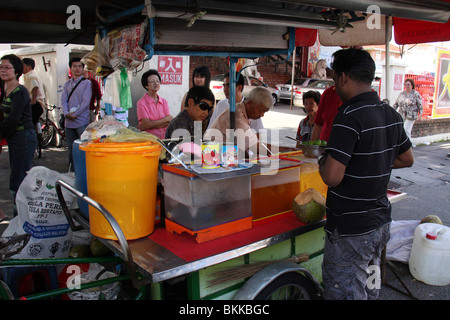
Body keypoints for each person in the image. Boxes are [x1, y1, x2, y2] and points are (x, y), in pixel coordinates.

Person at [318, 48, 414, 300]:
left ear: (342, 78)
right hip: (379, 225)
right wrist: (373, 162)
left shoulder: (348, 117)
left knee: (345, 290)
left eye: (334, 78)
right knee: (369, 287)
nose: (334, 85)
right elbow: (406, 158)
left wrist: (321, 159)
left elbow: (332, 177)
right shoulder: (390, 114)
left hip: (352, 229)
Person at [0, 54, 37, 215]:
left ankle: (21, 219)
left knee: (19, 179)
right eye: (1, 67)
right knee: (16, 177)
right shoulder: (4, 88)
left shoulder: (20, 92)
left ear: (16, 71)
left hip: (24, 138)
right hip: (14, 138)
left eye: (7, 67)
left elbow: (13, 120)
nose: (3, 70)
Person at [204, 86, 272, 156]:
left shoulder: (241, 111)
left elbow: (246, 145)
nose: (262, 115)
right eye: (261, 111)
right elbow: (255, 147)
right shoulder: (238, 116)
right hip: (213, 156)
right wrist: (281, 150)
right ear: (249, 104)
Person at [61, 57, 92, 171]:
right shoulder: (67, 84)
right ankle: (72, 171)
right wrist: (66, 113)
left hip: (81, 121)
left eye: (79, 66)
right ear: (71, 68)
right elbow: (63, 100)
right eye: (74, 66)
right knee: (71, 149)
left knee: (83, 147)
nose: (77, 68)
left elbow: (86, 101)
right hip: (68, 122)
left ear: (83, 68)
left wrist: (76, 114)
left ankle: (84, 172)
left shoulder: (86, 83)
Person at [136, 69, 172, 139]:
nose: (156, 83)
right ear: (146, 85)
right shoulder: (141, 103)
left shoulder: (164, 101)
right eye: (152, 81)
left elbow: (169, 121)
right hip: (149, 141)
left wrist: (151, 124)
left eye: (157, 81)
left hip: (164, 139)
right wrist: (164, 121)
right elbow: (146, 124)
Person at [22, 58, 45, 127]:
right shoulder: (31, 75)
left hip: (35, 105)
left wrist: (33, 101)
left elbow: (35, 87)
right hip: (36, 105)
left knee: (28, 125)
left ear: (28, 66)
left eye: (22, 66)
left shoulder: (31, 76)